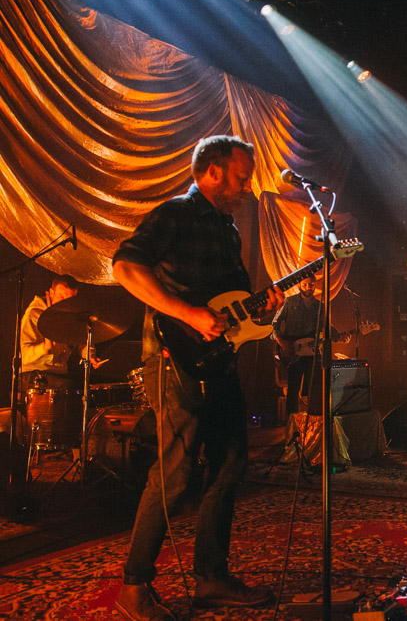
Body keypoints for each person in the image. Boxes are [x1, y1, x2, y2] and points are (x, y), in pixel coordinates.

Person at [111, 136, 284, 621]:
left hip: (220, 361)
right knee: (176, 471)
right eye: (241, 176)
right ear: (211, 172)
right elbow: (124, 265)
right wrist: (186, 313)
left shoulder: (229, 231)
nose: (248, 187)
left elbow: (235, 306)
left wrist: (265, 307)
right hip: (174, 358)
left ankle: (211, 577)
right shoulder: (174, 215)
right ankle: (133, 588)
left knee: (231, 460)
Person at [20, 274, 106, 392]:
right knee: (72, 389)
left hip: (59, 373)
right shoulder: (34, 314)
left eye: (69, 299)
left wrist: (90, 355)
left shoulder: (69, 313)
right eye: (61, 297)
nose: (65, 303)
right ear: (51, 293)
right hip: (34, 374)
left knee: (94, 389)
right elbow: (24, 356)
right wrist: (44, 348)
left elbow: (81, 341)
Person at [272, 274, 322, 415]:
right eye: (305, 284)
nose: (308, 287)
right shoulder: (289, 302)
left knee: (314, 391)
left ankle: (313, 426)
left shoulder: (320, 306)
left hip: (312, 353)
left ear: (315, 285)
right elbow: (274, 323)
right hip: (292, 352)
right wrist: (282, 342)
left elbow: (327, 327)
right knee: (292, 392)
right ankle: (291, 427)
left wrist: (341, 335)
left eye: (311, 284)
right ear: (299, 284)